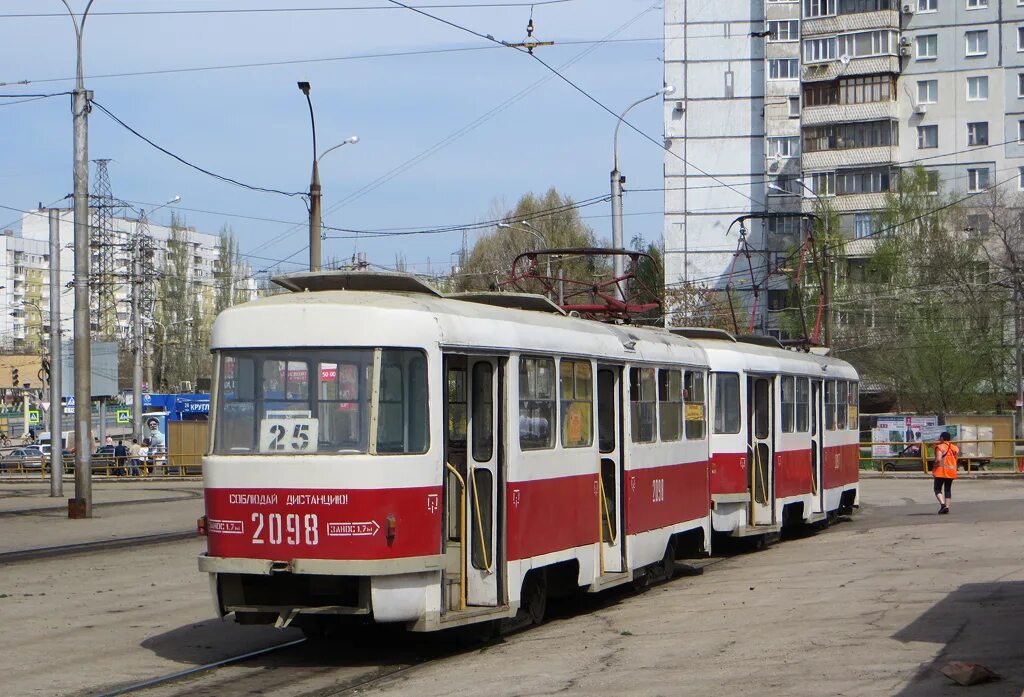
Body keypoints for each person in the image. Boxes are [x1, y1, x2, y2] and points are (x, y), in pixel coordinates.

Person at [932, 431, 959, 514]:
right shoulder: (955, 448)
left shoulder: (940, 447)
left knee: (937, 489)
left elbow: (939, 459)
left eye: (940, 437)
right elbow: (956, 459)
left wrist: (934, 465)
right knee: (947, 489)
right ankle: (947, 508)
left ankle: (943, 505)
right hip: (951, 471)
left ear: (942, 438)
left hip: (941, 471)